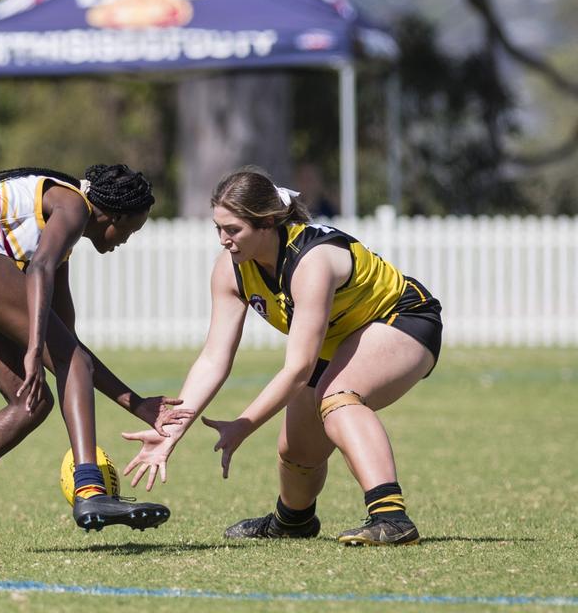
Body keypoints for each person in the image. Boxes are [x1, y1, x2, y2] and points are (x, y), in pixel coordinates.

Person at [0, 164, 192, 556]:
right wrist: (33, 349)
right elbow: (42, 276)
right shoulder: (73, 206)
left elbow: (71, 353)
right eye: (130, 229)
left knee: (31, 402)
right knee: (63, 360)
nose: (125, 240)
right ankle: (90, 489)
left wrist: (135, 403)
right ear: (112, 215)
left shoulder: (61, 238)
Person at [122, 167, 442, 546]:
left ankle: (391, 516)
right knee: (297, 450)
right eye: (218, 229)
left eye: (233, 229)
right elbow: (213, 358)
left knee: (338, 398)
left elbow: (298, 369)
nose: (224, 240)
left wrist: (243, 424)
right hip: (336, 339)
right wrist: (171, 431)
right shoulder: (230, 270)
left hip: (402, 319)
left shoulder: (312, 262)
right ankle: (292, 522)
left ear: (269, 222)